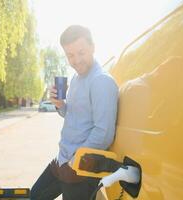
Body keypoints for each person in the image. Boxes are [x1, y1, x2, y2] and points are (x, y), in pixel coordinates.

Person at [30, 25, 119, 200]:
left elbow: (104, 133)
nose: (76, 60)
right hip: (62, 160)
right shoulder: (75, 78)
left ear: (93, 47)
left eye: (81, 52)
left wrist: (74, 162)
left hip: (80, 168)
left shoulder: (101, 81)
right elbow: (73, 116)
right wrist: (60, 105)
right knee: (36, 195)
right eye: (70, 55)